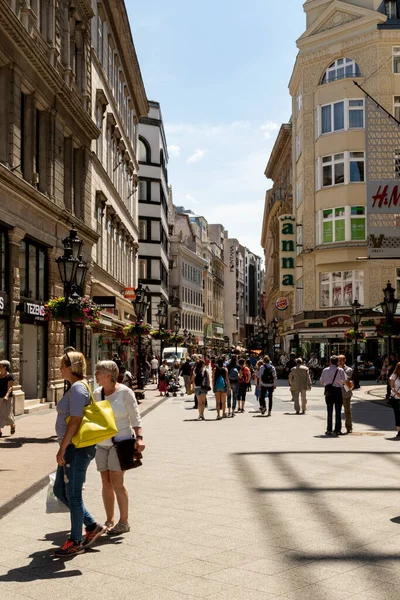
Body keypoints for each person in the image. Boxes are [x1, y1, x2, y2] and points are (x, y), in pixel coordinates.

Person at [53, 351, 106, 557]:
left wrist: (62, 447)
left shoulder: (77, 388)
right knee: (60, 490)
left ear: (72, 367)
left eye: (62, 366)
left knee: (73, 495)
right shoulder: (76, 386)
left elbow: (75, 419)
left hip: (75, 448)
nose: (60, 369)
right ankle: (92, 525)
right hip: (71, 447)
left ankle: (75, 541)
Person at [94, 361, 145, 535]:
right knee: (105, 483)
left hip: (120, 443)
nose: (96, 374)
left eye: (98, 372)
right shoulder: (96, 393)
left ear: (108, 375)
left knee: (117, 483)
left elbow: (135, 417)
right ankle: (109, 520)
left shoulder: (125, 392)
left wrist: (139, 438)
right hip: (101, 445)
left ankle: (124, 522)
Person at [320, 355, 347, 436]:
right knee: (338, 412)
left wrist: (327, 383)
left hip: (329, 391)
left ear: (330, 362)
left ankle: (329, 429)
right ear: (337, 362)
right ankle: (337, 430)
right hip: (338, 391)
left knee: (329, 411)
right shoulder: (341, 370)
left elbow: (321, 381)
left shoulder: (325, 370)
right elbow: (345, 381)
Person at [338, 354, 353, 433]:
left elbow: (347, 379)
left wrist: (340, 371)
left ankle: (349, 427)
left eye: (341, 360)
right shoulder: (335, 369)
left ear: (345, 360)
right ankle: (338, 428)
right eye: (338, 360)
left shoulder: (348, 369)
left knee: (347, 410)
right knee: (338, 411)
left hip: (345, 392)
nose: (339, 362)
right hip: (337, 392)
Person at [0, 360, 14, 437]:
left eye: (0, 366)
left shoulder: (10, 376)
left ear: (5, 367)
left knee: (7, 414)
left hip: (6, 397)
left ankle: (12, 424)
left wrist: (6, 396)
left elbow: (10, 388)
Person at [389, 362, 400, 438]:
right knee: (397, 414)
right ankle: (399, 431)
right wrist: (397, 392)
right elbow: (392, 387)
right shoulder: (394, 376)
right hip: (396, 398)